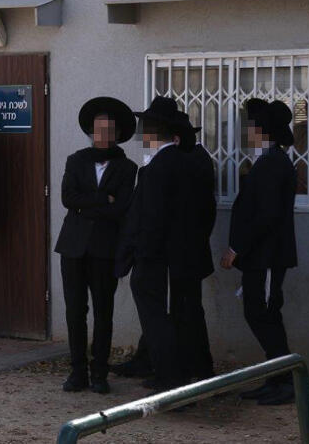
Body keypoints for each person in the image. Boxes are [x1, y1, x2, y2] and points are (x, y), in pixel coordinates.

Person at [54, 97, 138, 394]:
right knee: (75, 311)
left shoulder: (128, 167)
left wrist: (87, 205)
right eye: (98, 129)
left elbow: (122, 208)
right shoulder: (76, 160)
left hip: (105, 248)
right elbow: (67, 198)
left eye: (109, 129)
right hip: (73, 247)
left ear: (117, 134)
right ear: (91, 131)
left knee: (104, 312)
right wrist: (104, 199)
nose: (103, 134)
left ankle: (99, 372)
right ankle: (77, 372)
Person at [222, 99, 298, 406]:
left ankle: (284, 381)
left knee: (263, 315)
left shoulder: (273, 163)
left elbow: (266, 216)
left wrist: (236, 249)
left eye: (251, 127)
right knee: (262, 314)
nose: (247, 132)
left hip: (266, 256)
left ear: (262, 131)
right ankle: (276, 377)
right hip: (261, 255)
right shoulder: (268, 161)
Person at [122, 96, 187, 391]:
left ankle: (169, 376)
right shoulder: (175, 161)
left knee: (155, 317)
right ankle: (168, 373)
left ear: (152, 132)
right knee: (158, 314)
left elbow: (154, 216)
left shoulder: (162, 165)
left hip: (153, 254)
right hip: (163, 252)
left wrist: (142, 252)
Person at [173, 112, 216, 381]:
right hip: (191, 249)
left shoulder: (192, 162)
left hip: (188, 250)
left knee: (187, 309)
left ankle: (196, 369)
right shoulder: (196, 159)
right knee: (184, 308)